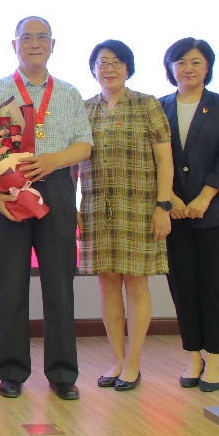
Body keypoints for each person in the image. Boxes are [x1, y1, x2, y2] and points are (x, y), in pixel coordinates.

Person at [0, 16, 92, 401]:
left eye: (42, 37)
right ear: (15, 46)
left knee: (59, 283)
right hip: (9, 191)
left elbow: (84, 145)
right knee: (11, 283)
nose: (35, 43)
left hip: (56, 188)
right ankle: (12, 372)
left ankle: (63, 373)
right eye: (27, 38)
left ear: (53, 45)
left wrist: (53, 161)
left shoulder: (70, 93)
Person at [79, 40, 173, 393]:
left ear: (129, 68)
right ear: (93, 69)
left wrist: (163, 207)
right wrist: (74, 208)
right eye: (102, 62)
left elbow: (165, 161)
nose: (110, 68)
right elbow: (74, 164)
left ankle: (133, 362)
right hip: (97, 207)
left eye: (117, 62)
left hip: (140, 207)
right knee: (107, 282)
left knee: (136, 282)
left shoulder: (148, 104)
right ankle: (117, 359)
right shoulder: (85, 109)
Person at [159, 37, 219, 393]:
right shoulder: (159, 107)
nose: (188, 68)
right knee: (183, 286)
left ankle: (216, 359)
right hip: (175, 214)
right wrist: (171, 199)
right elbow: (153, 159)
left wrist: (205, 197)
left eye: (195, 62)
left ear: (207, 67)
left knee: (216, 287)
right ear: (170, 68)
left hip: (216, 214)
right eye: (180, 62)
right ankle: (193, 356)